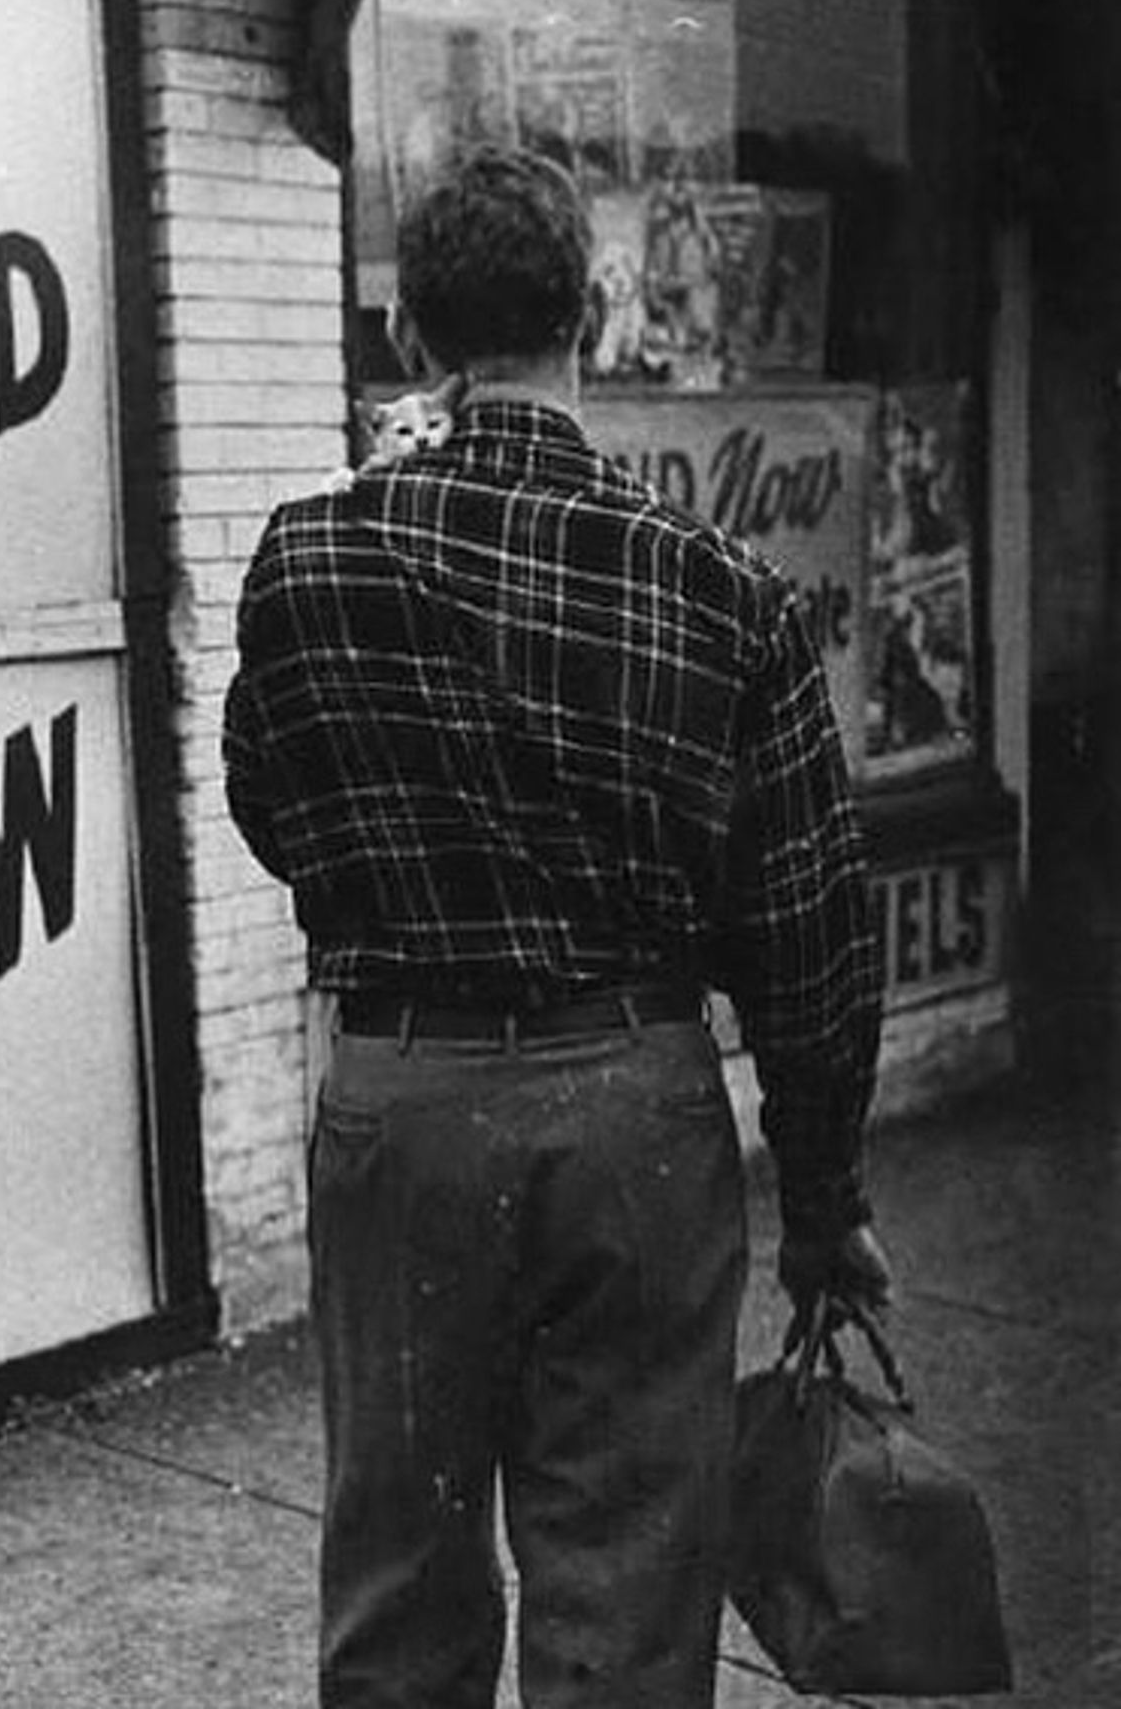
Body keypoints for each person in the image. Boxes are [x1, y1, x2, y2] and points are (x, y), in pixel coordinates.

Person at [221, 146, 891, 1709]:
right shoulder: (718, 587)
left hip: (400, 1106)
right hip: (633, 1118)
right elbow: (804, 931)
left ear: (407, 338)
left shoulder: (307, 558)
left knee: (395, 1575)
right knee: (629, 1591)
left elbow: (273, 810)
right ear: (590, 316)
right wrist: (823, 1196)